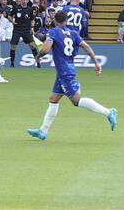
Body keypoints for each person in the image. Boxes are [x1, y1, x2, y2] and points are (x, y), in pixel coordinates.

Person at [26, 10, 117, 140]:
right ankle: (43, 131)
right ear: (67, 21)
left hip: (64, 72)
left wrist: (37, 56)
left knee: (76, 100)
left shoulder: (54, 31)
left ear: (55, 21)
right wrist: (96, 63)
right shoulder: (74, 33)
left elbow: (46, 49)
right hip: (66, 70)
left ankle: (108, 112)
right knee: (53, 99)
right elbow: (87, 47)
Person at [6, 0, 44, 68]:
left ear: (27, 0)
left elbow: (32, 19)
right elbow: (9, 15)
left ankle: (38, 63)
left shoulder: (30, 9)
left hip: (26, 30)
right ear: (21, 0)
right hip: (17, 29)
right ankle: (12, 63)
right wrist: (12, 21)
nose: (24, 1)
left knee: (33, 46)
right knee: (13, 46)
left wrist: (32, 28)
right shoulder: (16, 8)